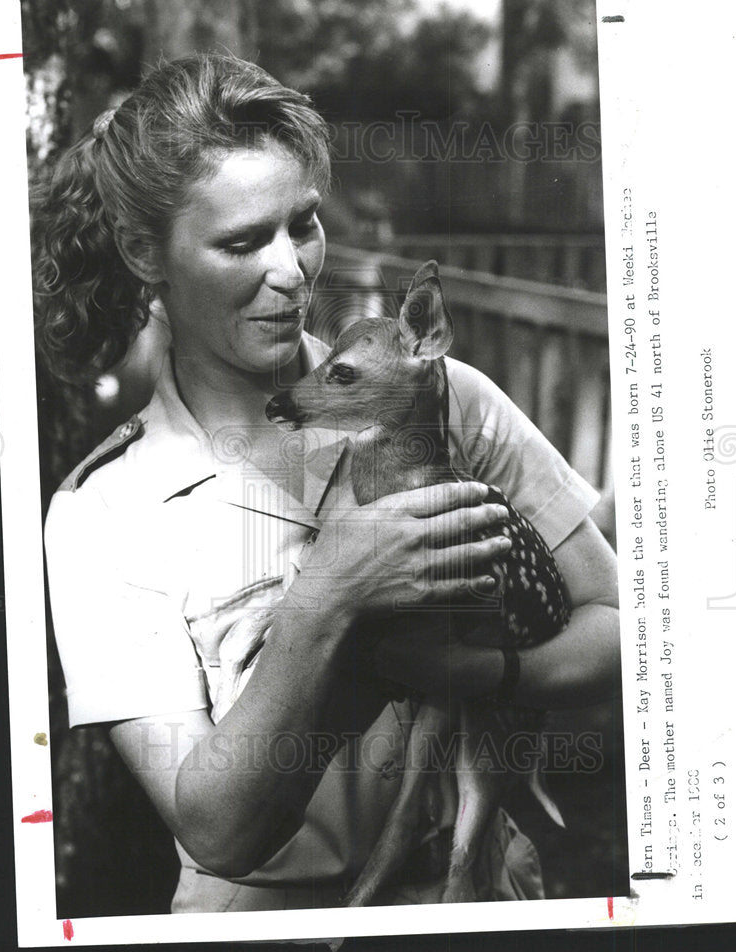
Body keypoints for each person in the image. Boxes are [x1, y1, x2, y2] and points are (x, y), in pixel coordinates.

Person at [35, 53, 620, 914]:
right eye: (240, 242)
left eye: (302, 223)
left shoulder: (441, 396)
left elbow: (616, 629)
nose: (292, 271)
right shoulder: (103, 514)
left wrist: (481, 672)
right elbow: (217, 829)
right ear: (142, 251)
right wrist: (327, 600)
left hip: (479, 894)